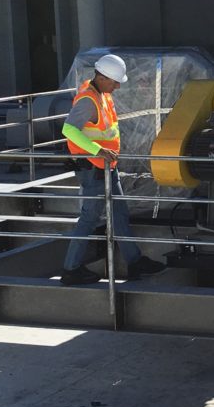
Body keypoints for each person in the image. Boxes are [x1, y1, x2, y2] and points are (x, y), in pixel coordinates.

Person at [60, 54, 165, 285]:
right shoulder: (88, 100)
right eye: (115, 81)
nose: (118, 85)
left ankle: (135, 262)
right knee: (89, 218)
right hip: (94, 168)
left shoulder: (101, 95)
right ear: (103, 77)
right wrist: (98, 151)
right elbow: (69, 130)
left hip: (107, 166)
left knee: (119, 215)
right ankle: (71, 269)